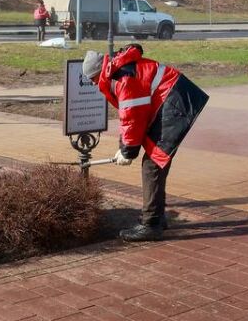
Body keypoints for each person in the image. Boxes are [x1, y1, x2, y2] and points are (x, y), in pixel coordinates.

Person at [83, 44, 208, 242]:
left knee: (152, 164)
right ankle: (157, 218)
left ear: (97, 73)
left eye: (91, 80)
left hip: (174, 104)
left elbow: (133, 117)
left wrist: (128, 151)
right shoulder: (119, 71)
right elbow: (130, 118)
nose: (92, 85)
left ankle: (151, 225)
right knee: (155, 163)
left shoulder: (123, 79)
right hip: (172, 101)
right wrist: (123, 147)